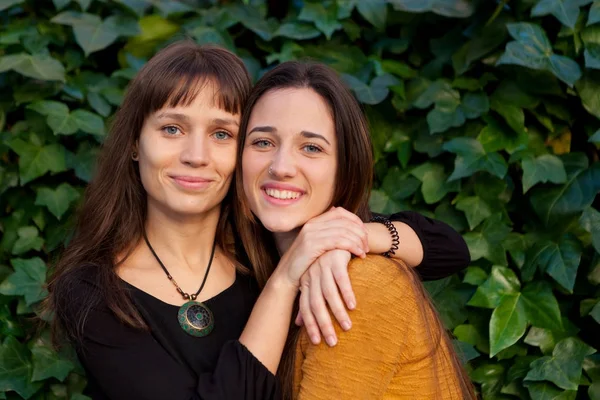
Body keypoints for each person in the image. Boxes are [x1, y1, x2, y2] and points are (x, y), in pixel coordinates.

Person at [45, 41, 469, 400]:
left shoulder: (268, 240)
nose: (196, 155)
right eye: (172, 129)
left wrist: (350, 237)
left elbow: (449, 248)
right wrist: (286, 279)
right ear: (135, 143)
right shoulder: (94, 291)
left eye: (221, 134)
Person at [234, 60, 477, 399]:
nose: (281, 167)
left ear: (345, 168)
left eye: (311, 148)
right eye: (262, 142)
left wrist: (353, 238)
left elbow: (452, 248)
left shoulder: (354, 285)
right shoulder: (245, 263)